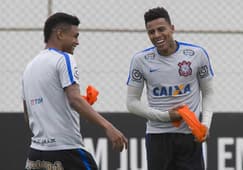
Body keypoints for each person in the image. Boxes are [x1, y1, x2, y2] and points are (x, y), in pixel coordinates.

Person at [22, 12, 128, 170]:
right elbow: (74, 99)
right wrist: (108, 127)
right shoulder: (64, 58)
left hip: (36, 155)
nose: (77, 42)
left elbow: (28, 113)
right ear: (60, 34)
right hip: (66, 151)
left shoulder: (29, 67)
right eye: (75, 36)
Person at [126, 7, 214, 170]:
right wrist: (166, 116)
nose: (157, 35)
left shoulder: (197, 54)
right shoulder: (140, 60)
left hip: (189, 136)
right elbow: (131, 103)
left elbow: (208, 93)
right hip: (157, 136)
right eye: (151, 32)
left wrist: (205, 125)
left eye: (161, 29)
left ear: (172, 28)